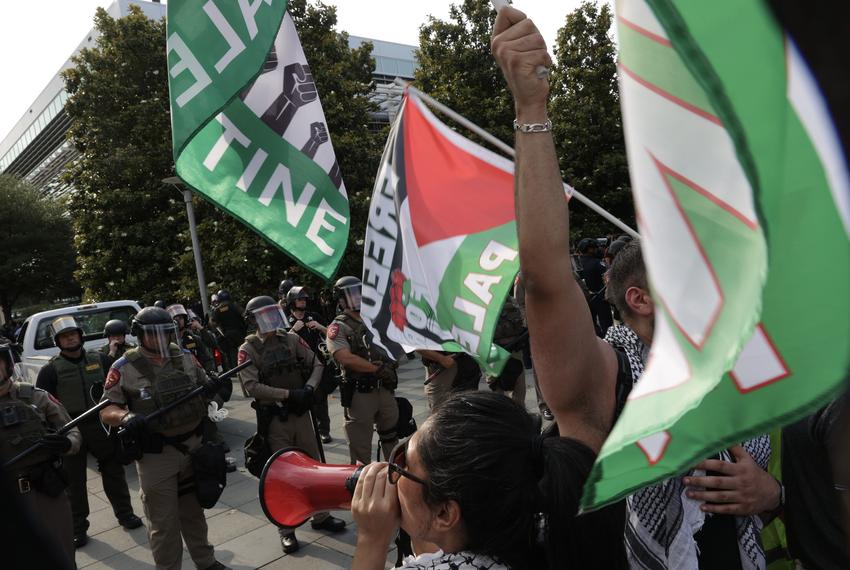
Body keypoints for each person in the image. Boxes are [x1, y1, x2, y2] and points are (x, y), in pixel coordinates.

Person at [491, 8, 779, 569]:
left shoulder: (738, 372)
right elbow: (546, 274)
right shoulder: (604, 380)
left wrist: (770, 494)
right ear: (639, 299)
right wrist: (532, 109)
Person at [351, 392, 627, 569]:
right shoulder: (543, 526)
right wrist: (428, 526)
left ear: (446, 512)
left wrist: (372, 540)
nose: (393, 473)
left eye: (403, 464)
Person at [98, 307, 229, 570]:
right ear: (138, 334)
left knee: (194, 514)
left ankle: (206, 562)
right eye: (151, 334)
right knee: (163, 522)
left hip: (194, 446)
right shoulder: (124, 367)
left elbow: (207, 389)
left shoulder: (186, 357)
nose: (159, 339)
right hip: (157, 455)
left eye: (164, 332)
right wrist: (125, 417)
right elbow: (106, 409)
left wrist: (214, 391)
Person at [237, 295, 346, 554]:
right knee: (282, 473)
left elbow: (316, 363)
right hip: (276, 419)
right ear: (253, 320)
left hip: (301, 413)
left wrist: (309, 388)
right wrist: (287, 395)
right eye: (263, 316)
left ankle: (321, 516)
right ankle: (286, 528)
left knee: (315, 464)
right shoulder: (248, 349)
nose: (270, 321)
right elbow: (250, 386)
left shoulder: (291, 339)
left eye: (272, 314)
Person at [36, 316, 141, 548]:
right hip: (70, 428)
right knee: (74, 481)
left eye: (73, 334)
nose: (70, 338)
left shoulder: (102, 360)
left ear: (80, 336)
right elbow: (43, 407)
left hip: (102, 423)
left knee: (113, 471)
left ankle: (126, 514)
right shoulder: (50, 370)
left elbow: (118, 389)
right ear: (58, 341)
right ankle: (78, 528)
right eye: (65, 336)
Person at [1, 342, 82, 565]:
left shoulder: (35, 397)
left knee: (62, 554)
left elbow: (72, 431)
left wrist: (64, 443)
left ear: (7, 364)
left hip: (46, 490)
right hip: (7, 499)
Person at [325, 276, 399, 464]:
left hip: (384, 388)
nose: (358, 298)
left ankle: (397, 478)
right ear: (341, 299)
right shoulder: (338, 327)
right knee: (361, 450)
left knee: (392, 439)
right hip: (360, 392)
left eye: (360, 292)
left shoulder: (374, 319)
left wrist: (390, 363)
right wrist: (376, 369)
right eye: (352, 295)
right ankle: (363, 487)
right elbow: (344, 357)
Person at [285, 286, 334, 443]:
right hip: (297, 368)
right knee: (301, 401)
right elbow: (281, 346)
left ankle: (324, 431)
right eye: (300, 299)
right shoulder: (285, 321)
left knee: (320, 399)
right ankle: (304, 433)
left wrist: (319, 327)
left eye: (304, 299)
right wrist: (292, 330)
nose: (303, 302)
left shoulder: (314, 316)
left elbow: (332, 334)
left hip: (316, 364)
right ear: (292, 302)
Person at [484, 296, 528, 406]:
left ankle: (516, 413)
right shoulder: (483, 301)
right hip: (494, 350)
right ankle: (507, 412)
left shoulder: (511, 300)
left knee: (517, 382)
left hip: (511, 349)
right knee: (496, 384)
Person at [208, 289, 246, 402]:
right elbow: (244, 314)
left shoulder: (218, 309)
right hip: (239, 334)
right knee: (242, 352)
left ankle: (234, 372)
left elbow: (212, 323)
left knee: (230, 353)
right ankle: (242, 371)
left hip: (227, 335)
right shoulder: (234, 306)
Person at [168, 304, 215, 372]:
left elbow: (207, 359)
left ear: (185, 319)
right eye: (175, 319)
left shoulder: (194, 339)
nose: (178, 321)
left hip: (195, 375)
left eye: (180, 318)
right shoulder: (168, 341)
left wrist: (208, 373)